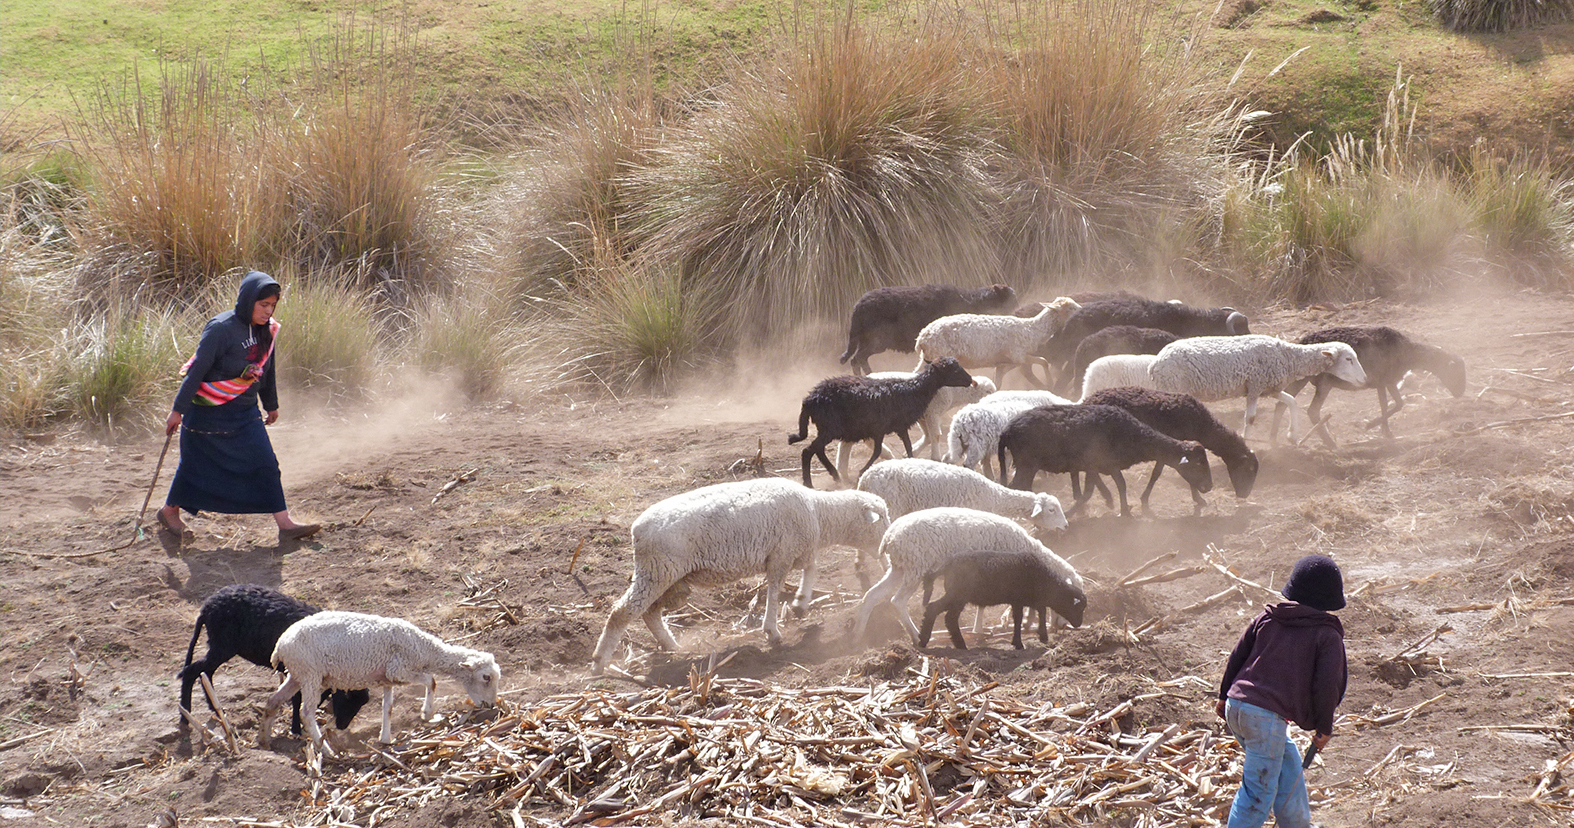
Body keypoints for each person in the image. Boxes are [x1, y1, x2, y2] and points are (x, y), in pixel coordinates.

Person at [156, 270, 320, 544]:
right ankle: (169, 511)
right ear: (248, 301)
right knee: (194, 467)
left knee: (267, 463)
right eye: (263, 305)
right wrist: (177, 410)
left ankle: (285, 524)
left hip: (244, 413)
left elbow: (267, 368)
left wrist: (271, 404)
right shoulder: (220, 328)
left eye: (272, 306)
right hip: (207, 414)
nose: (268, 311)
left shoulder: (267, 330)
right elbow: (197, 371)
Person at [1214, 554, 1348, 828]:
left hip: (1236, 708)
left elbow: (1237, 655)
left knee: (1287, 764)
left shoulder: (1268, 616)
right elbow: (1327, 685)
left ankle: (1297, 824)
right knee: (1257, 795)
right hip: (1264, 719)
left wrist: (1222, 695)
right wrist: (1324, 727)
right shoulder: (1326, 635)